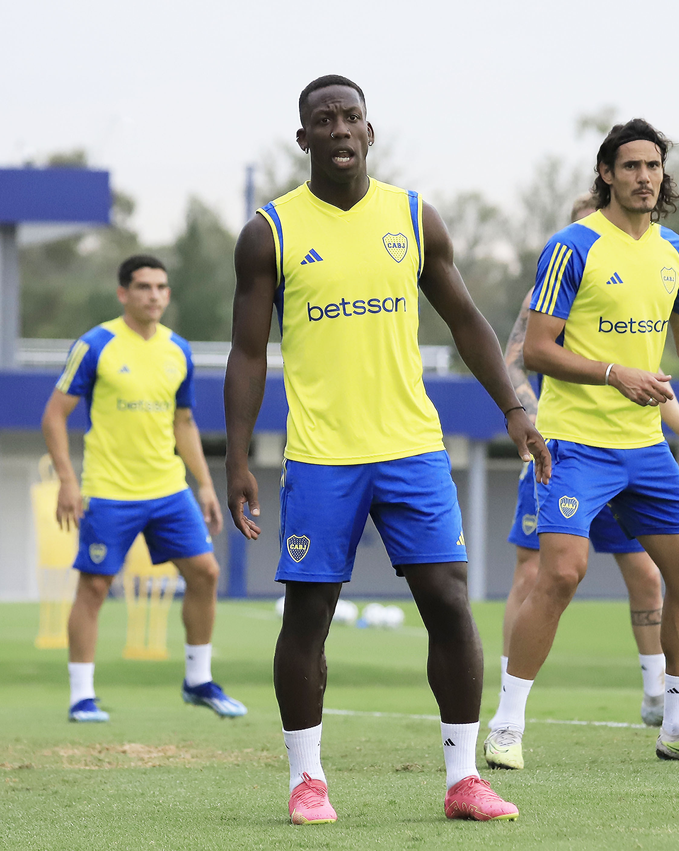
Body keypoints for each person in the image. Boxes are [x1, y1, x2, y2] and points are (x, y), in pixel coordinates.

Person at [223, 75, 549, 825]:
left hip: (412, 447)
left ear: (371, 132)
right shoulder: (269, 231)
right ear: (302, 139)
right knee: (309, 613)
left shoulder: (413, 216)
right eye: (323, 120)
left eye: (352, 117)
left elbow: (466, 319)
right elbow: (247, 354)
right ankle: (308, 781)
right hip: (321, 454)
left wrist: (515, 404)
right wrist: (238, 458)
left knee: (448, 600)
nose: (340, 129)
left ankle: (465, 779)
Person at [485, 119, 679, 769]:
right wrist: (613, 372)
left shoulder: (676, 253)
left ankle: (678, 723)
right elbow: (539, 347)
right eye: (630, 166)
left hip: (644, 448)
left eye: (653, 165)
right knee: (562, 573)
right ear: (606, 173)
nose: (643, 176)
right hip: (575, 445)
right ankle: (506, 728)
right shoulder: (573, 246)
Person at [494, 191, 679, 732]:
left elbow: (653, 371)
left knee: (655, 572)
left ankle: (661, 702)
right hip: (567, 444)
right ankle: (507, 709)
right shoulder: (560, 269)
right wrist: (530, 417)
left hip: (638, 450)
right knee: (546, 572)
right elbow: (518, 359)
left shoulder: (666, 258)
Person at [42, 255, 246, 724]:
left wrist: (206, 486)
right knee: (94, 587)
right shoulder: (96, 344)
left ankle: (198, 681)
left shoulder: (179, 350)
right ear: (123, 294)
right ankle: (82, 697)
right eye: (143, 287)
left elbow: (185, 422)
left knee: (206, 573)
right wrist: (68, 481)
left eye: (161, 287)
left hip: (168, 490)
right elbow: (54, 416)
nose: (154, 295)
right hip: (109, 491)